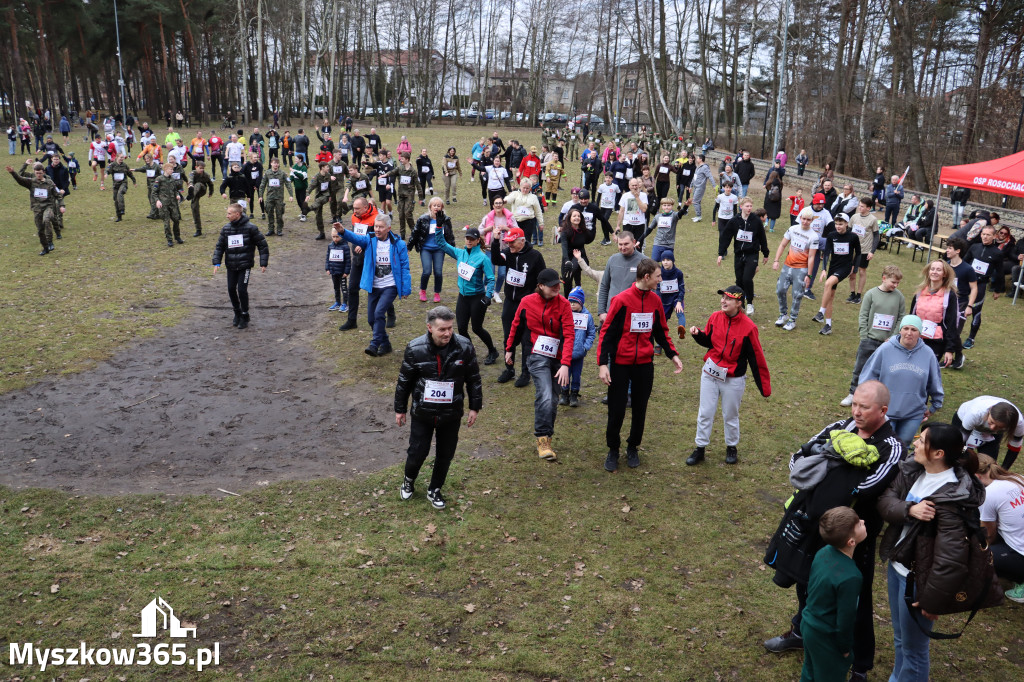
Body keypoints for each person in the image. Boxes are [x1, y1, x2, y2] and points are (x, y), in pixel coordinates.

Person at [763, 381, 905, 682]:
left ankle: (860, 664)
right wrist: (833, 473)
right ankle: (801, 631)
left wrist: (828, 474)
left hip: (854, 537)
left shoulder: (891, 446)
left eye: (864, 407)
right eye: (854, 404)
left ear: (883, 410)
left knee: (855, 598)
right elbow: (798, 460)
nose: (856, 412)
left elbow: (867, 487)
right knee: (808, 580)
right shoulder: (840, 427)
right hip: (815, 524)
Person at [877, 424, 984, 682]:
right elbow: (885, 501)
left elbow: (951, 558)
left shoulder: (952, 496)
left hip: (919, 581)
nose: (914, 442)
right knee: (901, 638)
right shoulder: (913, 470)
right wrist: (909, 509)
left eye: (922, 440)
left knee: (914, 650)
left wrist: (933, 600)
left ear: (938, 453)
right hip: (898, 568)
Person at [598, 259, 684, 471]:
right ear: (646, 277)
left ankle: (633, 447)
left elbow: (661, 331)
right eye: (657, 276)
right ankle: (613, 449)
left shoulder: (655, 301)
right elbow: (607, 333)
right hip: (620, 363)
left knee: (640, 408)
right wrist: (602, 364)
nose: (660, 280)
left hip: (644, 364)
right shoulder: (621, 300)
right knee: (616, 409)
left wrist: (672, 354)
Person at [395, 305, 483, 511]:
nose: (447, 333)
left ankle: (434, 489)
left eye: (450, 328)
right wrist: (400, 409)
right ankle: (409, 480)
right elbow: (404, 381)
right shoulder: (415, 348)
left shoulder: (464, 346)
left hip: (451, 413)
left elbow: (474, 379)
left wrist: (474, 407)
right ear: (430, 328)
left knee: (446, 454)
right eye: (442, 329)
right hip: (423, 412)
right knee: (417, 452)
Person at [686, 286, 771, 465]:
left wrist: (764, 387)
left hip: (733, 378)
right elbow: (709, 341)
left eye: (728, 299)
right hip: (710, 373)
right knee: (705, 412)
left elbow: (756, 358)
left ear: (739, 303)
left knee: (730, 415)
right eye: (723, 297)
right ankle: (700, 448)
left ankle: (731, 447)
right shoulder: (715, 317)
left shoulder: (749, 328)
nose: (723, 301)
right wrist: (698, 335)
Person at [506, 267, 575, 461]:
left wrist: (565, 364)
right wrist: (509, 348)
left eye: (558, 284)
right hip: (536, 354)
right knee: (544, 394)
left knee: (552, 399)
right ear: (541, 286)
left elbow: (569, 334)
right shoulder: (527, 302)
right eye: (552, 285)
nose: (557, 288)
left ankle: (547, 438)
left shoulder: (564, 304)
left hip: (558, 358)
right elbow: (516, 325)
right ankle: (542, 439)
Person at [799, 507, 866, 682]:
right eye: (859, 524)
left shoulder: (824, 552)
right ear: (851, 542)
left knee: (809, 672)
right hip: (827, 638)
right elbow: (846, 619)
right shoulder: (851, 577)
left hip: (808, 626)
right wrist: (845, 648)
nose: (863, 522)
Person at [859, 315, 944, 445]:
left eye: (914, 330)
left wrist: (935, 406)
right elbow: (868, 376)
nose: (909, 333)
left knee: (904, 446)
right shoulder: (885, 349)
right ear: (900, 330)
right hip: (885, 412)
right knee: (883, 445)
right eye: (906, 328)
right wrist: (864, 401)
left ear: (920, 333)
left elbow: (935, 381)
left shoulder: (928, 354)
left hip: (913, 413)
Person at [336, 213, 411, 356]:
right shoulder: (370, 240)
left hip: (390, 286)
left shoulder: (399, 244)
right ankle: (386, 344)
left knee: (379, 313)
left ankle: (374, 344)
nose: (377, 229)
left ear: (388, 228)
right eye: (376, 226)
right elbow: (355, 238)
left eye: (381, 227)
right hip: (374, 286)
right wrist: (342, 231)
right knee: (371, 320)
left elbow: (404, 267)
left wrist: (406, 288)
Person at [839, 265, 906, 407]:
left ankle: (877, 398)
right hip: (869, 340)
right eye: (893, 282)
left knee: (884, 371)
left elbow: (901, 317)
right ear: (884, 278)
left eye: (898, 283)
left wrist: (893, 337)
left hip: (888, 343)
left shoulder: (899, 297)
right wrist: (864, 335)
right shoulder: (871, 294)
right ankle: (853, 393)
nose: (895, 285)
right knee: (860, 368)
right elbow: (863, 315)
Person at [434, 227, 498, 365]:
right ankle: (469, 352)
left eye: (472, 239)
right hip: (463, 297)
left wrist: (488, 295)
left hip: (477, 297)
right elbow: (442, 244)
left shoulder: (482, 258)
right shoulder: (460, 253)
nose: (469, 241)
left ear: (477, 240)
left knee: (477, 328)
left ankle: (492, 350)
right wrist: (439, 227)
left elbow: (491, 278)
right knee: (462, 328)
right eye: (467, 238)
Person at [492, 226, 546, 385]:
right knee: (508, 336)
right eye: (507, 242)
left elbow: (542, 278)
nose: (509, 245)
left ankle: (525, 373)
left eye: (512, 242)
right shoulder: (508, 253)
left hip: (527, 304)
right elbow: (496, 260)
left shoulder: (535, 256)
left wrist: (537, 299)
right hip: (510, 302)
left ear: (522, 241)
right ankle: (509, 369)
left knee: (526, 339)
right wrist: (495, 241)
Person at [211, 203, 269, 330]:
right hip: (231, 265)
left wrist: (263, 262)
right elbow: (220, 246)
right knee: (231, 289)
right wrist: (216, 262)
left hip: (245, 265)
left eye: (229, 213)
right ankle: (237, 312)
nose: (227, 216)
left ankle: (245, 314)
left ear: (237, 214)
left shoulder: (251, 228)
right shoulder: (226, 229)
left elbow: (262, 245)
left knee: (242, 290)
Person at [976, 454, 1024, 600]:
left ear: (977, 477)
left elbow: (989, 535)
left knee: (978, 555)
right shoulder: (1017, 478)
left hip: (1021, 552)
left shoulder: (988, 494)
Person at [811, 213, 861, 335]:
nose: (838, 226)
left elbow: (859, 253)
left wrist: (854, 268)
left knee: (828, 283)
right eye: (836, 224)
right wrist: (824, 269)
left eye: (841, 224)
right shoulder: (831, 235)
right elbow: (826, 253)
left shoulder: (853, 237)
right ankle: (828, 325)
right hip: (833, 267)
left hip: (845, 267)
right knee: (830, 295)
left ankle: (821, 312)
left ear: (847, 224)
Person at [718, 197, 769, 315]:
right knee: (739, 281)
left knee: (747, 279)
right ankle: (741, 305)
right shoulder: (734, 221)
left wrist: (765, 253)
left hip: (752, 254)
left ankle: (750, 303)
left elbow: (762, 238)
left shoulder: (756, 221)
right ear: (741, 207)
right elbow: (726, 237)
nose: (749, 208)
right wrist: (721, 253)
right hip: (739, 255)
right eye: (747, 206)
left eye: (751, 206)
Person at [773, 208, 818, 330]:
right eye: (804, 219)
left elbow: (812, 257)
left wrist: (809, 275)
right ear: (800, 218)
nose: (805, 222)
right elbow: (783, 244)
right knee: (780, 290)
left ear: (812, 221)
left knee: (797, 295)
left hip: (801, 269)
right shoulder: (793, 229)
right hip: (787, 266)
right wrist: (776, 260)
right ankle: (783, 314)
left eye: (808, 220)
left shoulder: (814, 236)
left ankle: (792, 319)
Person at [908, 260, 959, 367]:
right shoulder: (919, 292)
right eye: (932, 269)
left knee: (927, 370)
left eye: (939, 270)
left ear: (944, 274)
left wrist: (949, 349)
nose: (934, 272)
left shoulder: (949, 295)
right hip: (916, 339)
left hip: (936, 342)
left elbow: (952, 323)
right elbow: (911, 317)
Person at [7, 161, 64, 254]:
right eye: (37, 173)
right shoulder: (31, 182)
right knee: (40, 230)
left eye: (40, 173)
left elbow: (58, 195)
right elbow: (20, 180)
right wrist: (13, 172)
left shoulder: (49, 183)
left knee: (47, 220)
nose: (38, 175)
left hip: (48, 207)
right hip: (37, 209)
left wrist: (61, 205)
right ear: (34, 172)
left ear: (43, 172)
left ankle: (50, 242)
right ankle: (45, 248)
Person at [952, 396, 1023, 469]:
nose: (992, 428)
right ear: (989, 411)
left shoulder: (1019, 424)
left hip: (992, 432)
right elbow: (961, 442)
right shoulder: (975, 413)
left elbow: (1014, 449)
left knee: (989, 466)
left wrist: (1003, 470)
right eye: (992, 422)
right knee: (961, 460)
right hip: (963, 421)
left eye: (1000, 427)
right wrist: (961, 455)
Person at [962, 225, 1004, 349]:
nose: (985, 237)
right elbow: (964, 262)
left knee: (976, 310)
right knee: (958, 306)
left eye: (988, 235)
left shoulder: (997, 253)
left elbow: (1000, 272)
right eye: (983, 234)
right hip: (967, 282)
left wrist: (997, 290)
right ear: (980, 235)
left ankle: (971, 338)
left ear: (994, 236)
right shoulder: (974, 247)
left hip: (980, 284)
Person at [408, 197, 454, 303]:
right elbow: (415, 233)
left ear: (442, 207)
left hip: (439, 249)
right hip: (426, 249)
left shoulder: (446, 220)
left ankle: (437, 293)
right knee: (427, 271)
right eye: (434, 205)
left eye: (438, 205)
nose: (436, 207)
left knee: (438, 272)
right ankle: (422, 290)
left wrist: (453, 250)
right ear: (430, 207)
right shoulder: (423, 219)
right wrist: (409, 247)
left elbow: (450, 235)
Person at [562, 286, 597, 408]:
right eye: (570, 302)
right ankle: (564, 394)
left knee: (576, 375)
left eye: (575, 302)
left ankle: (574, 395)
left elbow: (591, 333)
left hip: (579, 353)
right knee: (565, 374)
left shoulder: (587, 317)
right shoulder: (565, 314)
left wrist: (585, 347)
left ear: (581, 302)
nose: (572, 305)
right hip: (565, 353)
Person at [504, 177, 544, 247]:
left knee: (526, 241)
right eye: (524, 188)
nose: (525, 190)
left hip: (528, 222)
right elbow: (509, 199)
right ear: (520, 186)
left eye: (527, 188)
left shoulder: (533, 197)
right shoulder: (515, 194)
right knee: (515, 240)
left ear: (530, 188)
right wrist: (505, 200)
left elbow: (538, 211)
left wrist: (541, 223)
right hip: (516, 221)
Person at [259, 157, 293, 237]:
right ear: (271, 163)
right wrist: (260, 195)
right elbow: (262, 185)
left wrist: (291, 195)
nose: (276, 165)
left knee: (279, 214)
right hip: (270, 197)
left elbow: (288, 184)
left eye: (277, 163)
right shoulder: (267, 173)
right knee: (269, 213)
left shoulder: (282, 173)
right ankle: (271, 229)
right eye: (274, 163)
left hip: (279, 197)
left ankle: (279, 230)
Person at [153, 161, 185, 247]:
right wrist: (157, 201)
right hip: (164, 204)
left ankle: (177, 237)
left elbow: (175, 190)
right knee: (166, 222)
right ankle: (169, 239)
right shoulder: (159, 179)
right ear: (166, 169)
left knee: (176, 220)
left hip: (173, 203)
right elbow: (154, 192)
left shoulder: (172, 179)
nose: (172, 171)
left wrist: (177, 195)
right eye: (171, 169)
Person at [185, 161, 215, 237]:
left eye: (203, 168)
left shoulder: (206, 175)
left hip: (202, 190)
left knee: (198, 184)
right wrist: (190, 185)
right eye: (200, 168)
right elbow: (190, 180)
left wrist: (210, 192)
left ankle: (191, 195)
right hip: (194, 192)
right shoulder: (192, 173)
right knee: (194, 209)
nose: (202, 170)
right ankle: (198, 230)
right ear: (196, 167)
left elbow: (211, 184)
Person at [325, 227, 351, 312]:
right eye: (333, 237)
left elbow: (348, 260)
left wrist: (346, 271)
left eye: (337, 237)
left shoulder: (345, 247)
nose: (335, 239)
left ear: (341, 236)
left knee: (344, 288)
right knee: (336, 288)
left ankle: (345, 303)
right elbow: (328, 258)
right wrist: (327, 268)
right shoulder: (330, 246)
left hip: (342, 273)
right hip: (333, 271)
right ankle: (337, 302)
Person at [105, 152, 136, 222]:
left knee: (120, 194)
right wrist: (106, 174)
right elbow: (107, 170)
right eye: (120, 157)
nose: (122, 159)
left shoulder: (125, 165)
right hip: (116, 185)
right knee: (116, 200)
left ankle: (122, 209)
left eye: (123, 157)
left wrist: (134, 181)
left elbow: (130, 174)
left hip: (123, 183)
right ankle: (119, 216)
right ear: (117, 157)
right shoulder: (113, 165)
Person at [689, 155, 714, 223]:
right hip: (695, 186)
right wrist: (691, 186)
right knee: (697, 201)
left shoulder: (705, 167)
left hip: (700, 187)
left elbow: (710, 176)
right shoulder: (698, 167)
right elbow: (694, 177)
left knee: (695, 201)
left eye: (697, 158)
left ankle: (698, 216)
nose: (696, 159)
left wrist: (714, 185)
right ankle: (698, 216)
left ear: (701, 159)